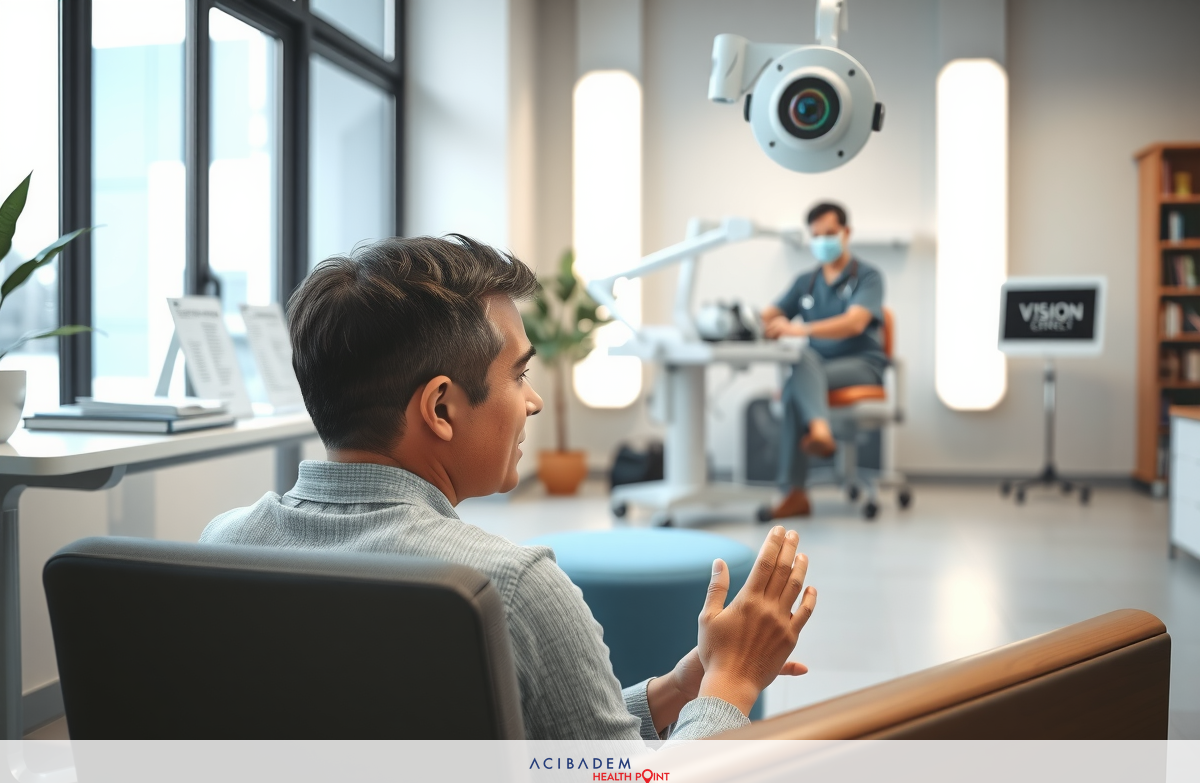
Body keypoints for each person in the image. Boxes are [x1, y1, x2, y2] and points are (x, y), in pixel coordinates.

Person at [201, 235, 819, 740]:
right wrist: (731, 682)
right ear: (441, 408)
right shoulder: (507, 590)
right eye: (519, 374)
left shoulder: (221, 546)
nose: (534, 400)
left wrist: (677, 691)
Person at [761, 202, 888, 519]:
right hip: (816, 367)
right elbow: (770, 314)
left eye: (830, 233)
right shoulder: (807, 282)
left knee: (795, 382)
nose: (823, 241)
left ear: (847, 233)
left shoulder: (868, 277)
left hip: (860, 366)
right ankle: (815, 445)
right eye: (816, 236)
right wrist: (754, 321)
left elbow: (855, 322)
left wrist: (799, 327)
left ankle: (796, 489)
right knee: (801, 364)